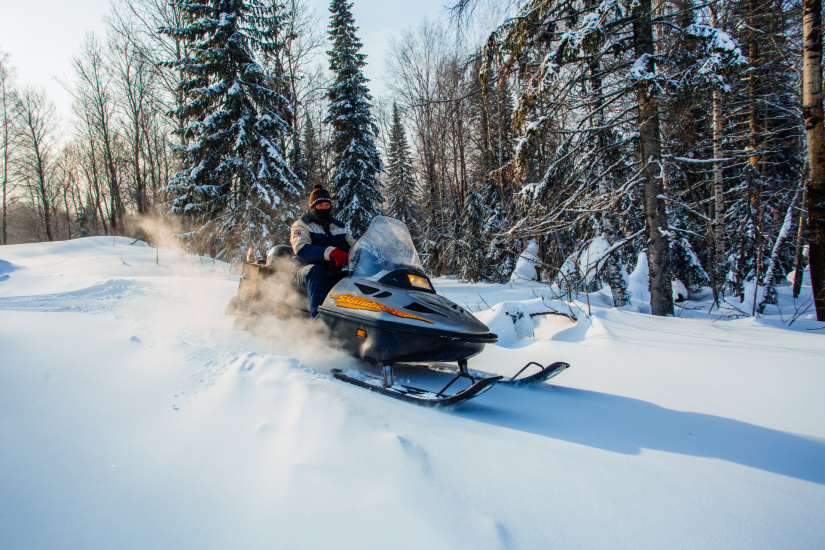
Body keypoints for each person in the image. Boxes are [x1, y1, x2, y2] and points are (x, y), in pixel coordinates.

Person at [290, 184, 356, 317]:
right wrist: (330, 252)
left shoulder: (339, 226)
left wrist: (369, 255)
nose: (324, 208)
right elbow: (302, 250)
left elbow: (354, 246)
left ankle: (353, 318)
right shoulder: (301, 225)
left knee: (352, 277)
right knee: (316, 270)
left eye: (327, 205)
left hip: (333, 270)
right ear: (313, 206)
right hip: (303, 272)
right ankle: (319, 317)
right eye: (320, 205)